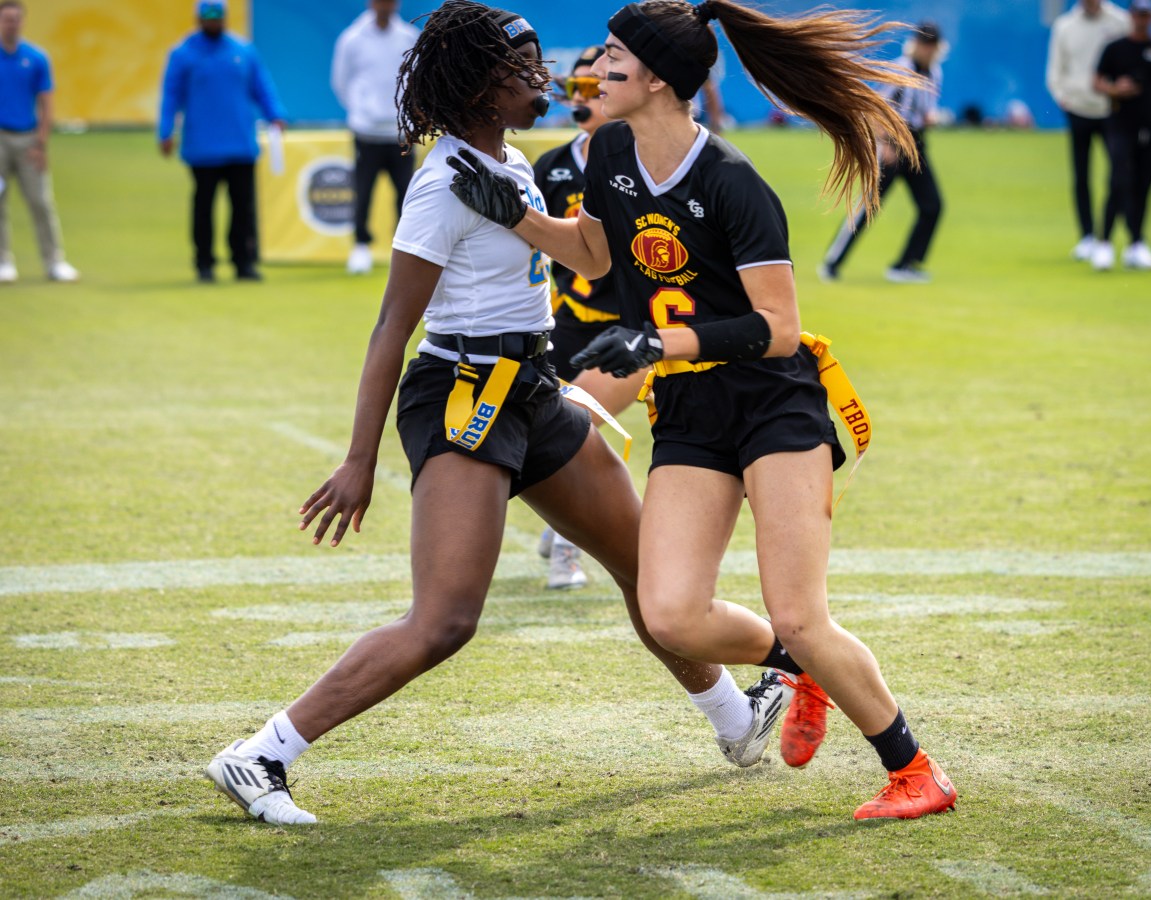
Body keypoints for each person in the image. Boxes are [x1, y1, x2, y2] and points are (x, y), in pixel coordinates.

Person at [201, 1, 832, 826]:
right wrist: (360, 457)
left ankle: (738, 718)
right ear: (478, 86)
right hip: (464, 394)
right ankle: (261, 756)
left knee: (652, 579)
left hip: (533, 388)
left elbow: (584, 255)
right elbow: (394, 325)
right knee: (445, 620)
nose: (545, 78)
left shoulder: (510, 160)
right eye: (523, 68)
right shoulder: (444, 182)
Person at [450, 0, 957, 820]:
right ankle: (799, 668)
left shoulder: (731, 180)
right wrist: (517, 215)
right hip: (690, 410)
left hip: (773, 404)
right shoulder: (611, 149)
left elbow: (778, 326)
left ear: (655, 79)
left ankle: (914, 771)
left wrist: (656, 344)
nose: (595, 71)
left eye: (612, 58)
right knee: (671, 613)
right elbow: (594, 254)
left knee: (800, 608)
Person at [531, 45, 646, 590]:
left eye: (591, 90)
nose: (581, 101)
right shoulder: (550, 167)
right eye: (573, 90)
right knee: (552, 439)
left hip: (623, 331)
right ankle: (562, 527)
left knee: (579, 430)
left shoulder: (640, 162)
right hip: (560, 324)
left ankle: (567, 550)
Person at [158, 0, 287, 283]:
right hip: (202, 146)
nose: (213, 22)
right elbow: (171, 95)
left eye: (218, 17)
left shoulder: (243, 50)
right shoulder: (183, 54)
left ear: (226, 19)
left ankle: (243, 262)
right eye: (208, 17)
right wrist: (165, 131)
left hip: (240, 142)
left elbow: (261, 87)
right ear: (199, 19)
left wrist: (275, 114)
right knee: (204, 207)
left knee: (243, 208)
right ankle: (204, 263)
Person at [818, 21, 944, 285]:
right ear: (916, 44)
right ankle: (832, 261)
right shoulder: (901, 69)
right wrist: (883, 144)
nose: (928, 50)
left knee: (932, 205)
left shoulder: (934, 73)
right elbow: (874, 108)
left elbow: (923, 110)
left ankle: (905, 265)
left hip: (916, 144)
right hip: (891, 143)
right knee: (868, 207)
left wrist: (930, 117)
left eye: (932, 44)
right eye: (924, 43)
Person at [331, 0, 420, 275]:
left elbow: (415, 80)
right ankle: (360, 247)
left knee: (405, 194)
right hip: (366, 132)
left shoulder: (408, 36)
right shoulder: (352, 38)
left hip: (400, 132)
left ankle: (403, 250)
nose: (385, 4)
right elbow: (341, 82)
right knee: (364, 191)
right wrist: (362, 112)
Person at [1091, 0, 1151, 272]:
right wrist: (1115, 89)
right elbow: (1097, 81)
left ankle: (1136, 243)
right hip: (1120, 124)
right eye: (1138, 14)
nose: (1142, 19)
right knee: (1119, 180)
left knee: (1143, 185)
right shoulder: (1116, 48)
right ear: (1131, 15)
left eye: (1146, 14)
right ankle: (1104, 242)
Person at [0, 0, 79, 284]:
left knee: (40, 202)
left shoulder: (35, 57)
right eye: (7, 19)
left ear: (23, 22)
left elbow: (46, 101)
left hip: (28, 136)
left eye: (16, 19)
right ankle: (3, 261)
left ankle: (54, 261)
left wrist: (41, 141)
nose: (12, 24)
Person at [1046, 0, 1130, 263]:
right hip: (1078, 108)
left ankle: (1128, 236)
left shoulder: (1120, 20)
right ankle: (1087, 237)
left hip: (1112, 109)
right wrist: (1063, 96)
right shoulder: (1065, 25)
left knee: (1120, 174)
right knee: (1081, 175)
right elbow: (1055, 68)